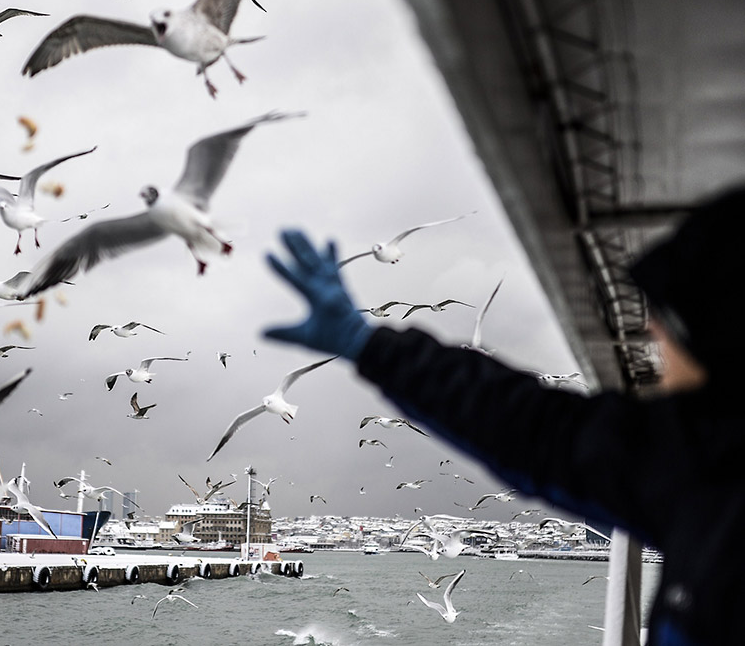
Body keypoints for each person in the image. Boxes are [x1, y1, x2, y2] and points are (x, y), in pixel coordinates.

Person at [264, 184, 745, 645]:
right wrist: (371, 346)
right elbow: (530, 425)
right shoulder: (697, 464)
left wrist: (369, 346)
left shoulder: (704, 476)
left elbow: (537, 430)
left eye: (664, 325)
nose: (649, 334)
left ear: (712, 341)